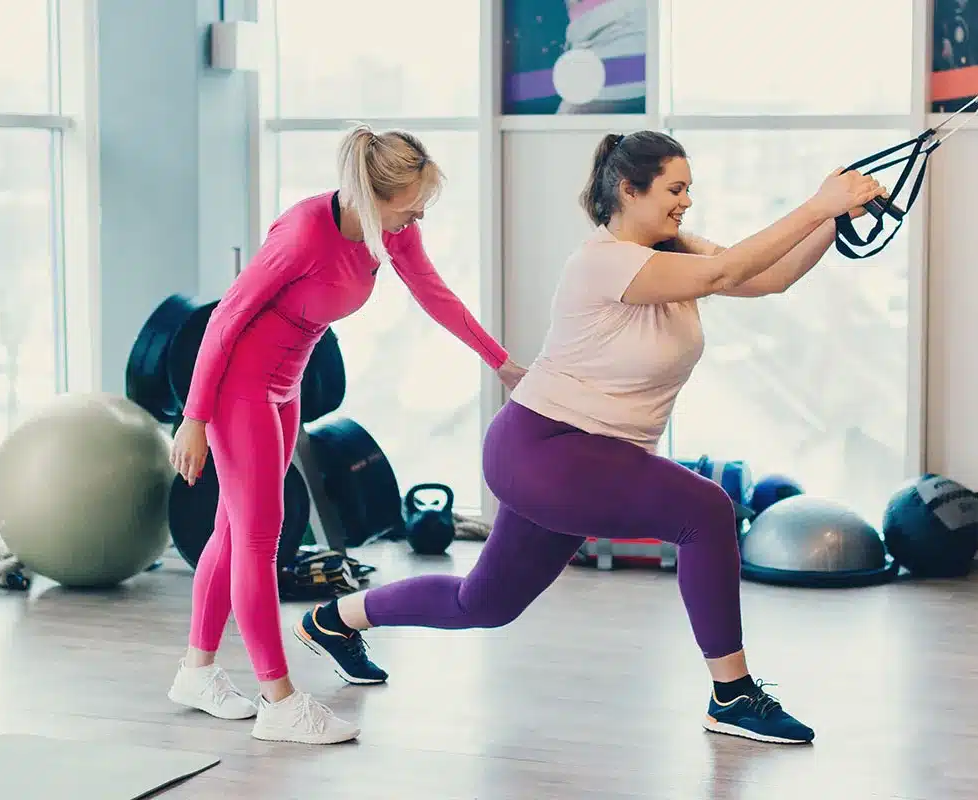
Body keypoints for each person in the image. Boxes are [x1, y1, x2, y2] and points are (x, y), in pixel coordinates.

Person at [292, 130, 886, 745]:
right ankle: (732, 695)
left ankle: (334, 619)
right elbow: (729, 270)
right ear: (629, 190)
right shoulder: (605, 261)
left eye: (689, 190)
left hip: (577, 457)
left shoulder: (675, 250)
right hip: (544, 446)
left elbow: (767, 277)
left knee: (485, 604)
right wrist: (818, 204)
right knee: (707, 511)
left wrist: (834, 221)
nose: (686, 202)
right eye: (675, 189)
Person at [164, 124, 526, 746]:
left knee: (233, 529)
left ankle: (196, 671)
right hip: (239, 390)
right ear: (370, 194)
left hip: (285, 386)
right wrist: (194, 417)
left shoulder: (393, 233)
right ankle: (278, 698)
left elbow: (435, 295)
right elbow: (226, 319)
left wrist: (501, 363)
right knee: (257, 537)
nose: (418, 214)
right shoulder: (304, 232)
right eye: (410, 202)